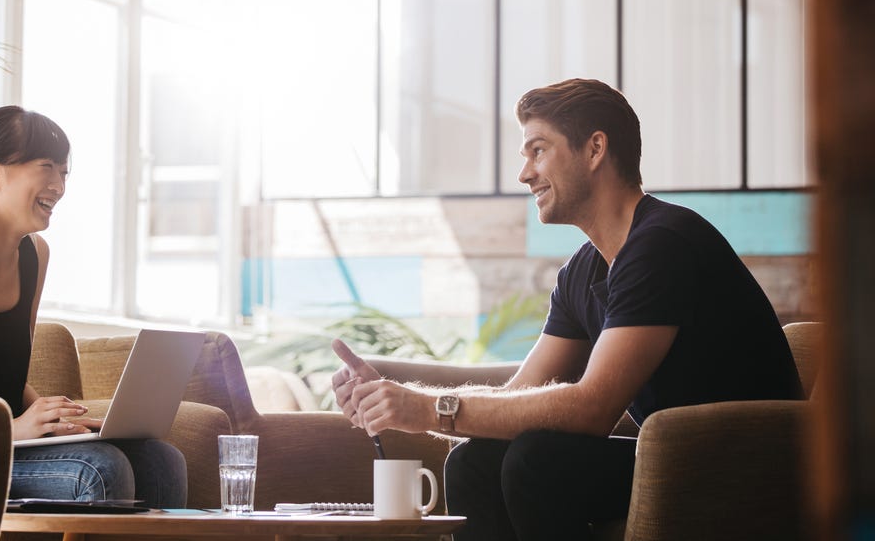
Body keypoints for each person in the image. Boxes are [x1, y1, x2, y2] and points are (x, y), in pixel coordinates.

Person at [331, 78, 802, 541]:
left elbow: (592, 408)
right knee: (476, 460)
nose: (524, 174)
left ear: (595, 149)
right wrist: (400, 401)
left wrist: (427, 409)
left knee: (537, 460)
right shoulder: (584, 270)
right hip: (673, 454)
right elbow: (518, 396)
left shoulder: (661, 243)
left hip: (747, 460)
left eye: (538, 150)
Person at [0, 105, 187, 507]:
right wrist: (11, 429)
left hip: (3, 442)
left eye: (64, 172)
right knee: (102, 469)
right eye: (47, 168)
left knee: (163, 462)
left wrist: (55, 421)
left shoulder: (34, 255)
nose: (59, 186)